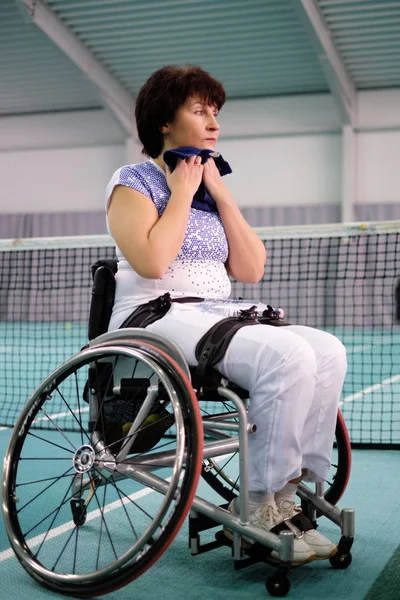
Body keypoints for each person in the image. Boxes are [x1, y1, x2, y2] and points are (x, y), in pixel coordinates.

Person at [105, 65, 347, 566]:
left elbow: (250, 267)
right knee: (286, 355)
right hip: (155, 315)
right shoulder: (132, 182)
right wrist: (183, 192)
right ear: (164, 123)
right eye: (199, 110)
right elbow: (151, 261)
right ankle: (259, 502)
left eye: (216, 112)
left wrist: (220, 194)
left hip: (215, 312)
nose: (214, 121)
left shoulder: (211, 198)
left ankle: (286, 495)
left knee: (327, 350)